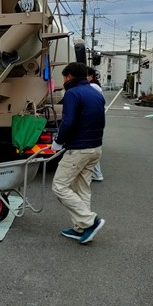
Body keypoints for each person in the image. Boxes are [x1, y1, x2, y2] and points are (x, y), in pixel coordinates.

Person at [50, 62, 106, 244]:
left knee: (59, 186)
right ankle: (81, 229)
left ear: (69, 77)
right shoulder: (95, 93)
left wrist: (58, 141)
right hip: (95, 148)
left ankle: (90, 221)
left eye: (64, 77)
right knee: (82, 188)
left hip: (79, 149)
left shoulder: (72, 93)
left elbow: (68, 121)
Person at [87, 66, 105, 182]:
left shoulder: (92, 87)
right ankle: (96, 174)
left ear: (91, 77)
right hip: (97, 121)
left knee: (91, 149)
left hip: (92, 122)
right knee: (93, 148)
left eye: (86, 76)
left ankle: (97, 174)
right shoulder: (95, 86)